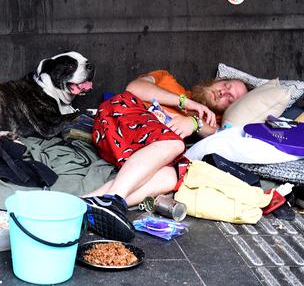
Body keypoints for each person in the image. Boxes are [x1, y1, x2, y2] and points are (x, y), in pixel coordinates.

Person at [81, 70, 249, 241]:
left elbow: (223, 135)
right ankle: (113, 199)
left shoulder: (212, 120)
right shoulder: (167, 79)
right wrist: (185, 102)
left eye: (230, 99)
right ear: (217, 81)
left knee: (171, 177)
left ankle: (80, 206)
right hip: (120, 116)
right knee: (175, 144)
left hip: (137, 151)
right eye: (226, 86)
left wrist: (194, 122)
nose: (224, 92)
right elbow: (134, 87)